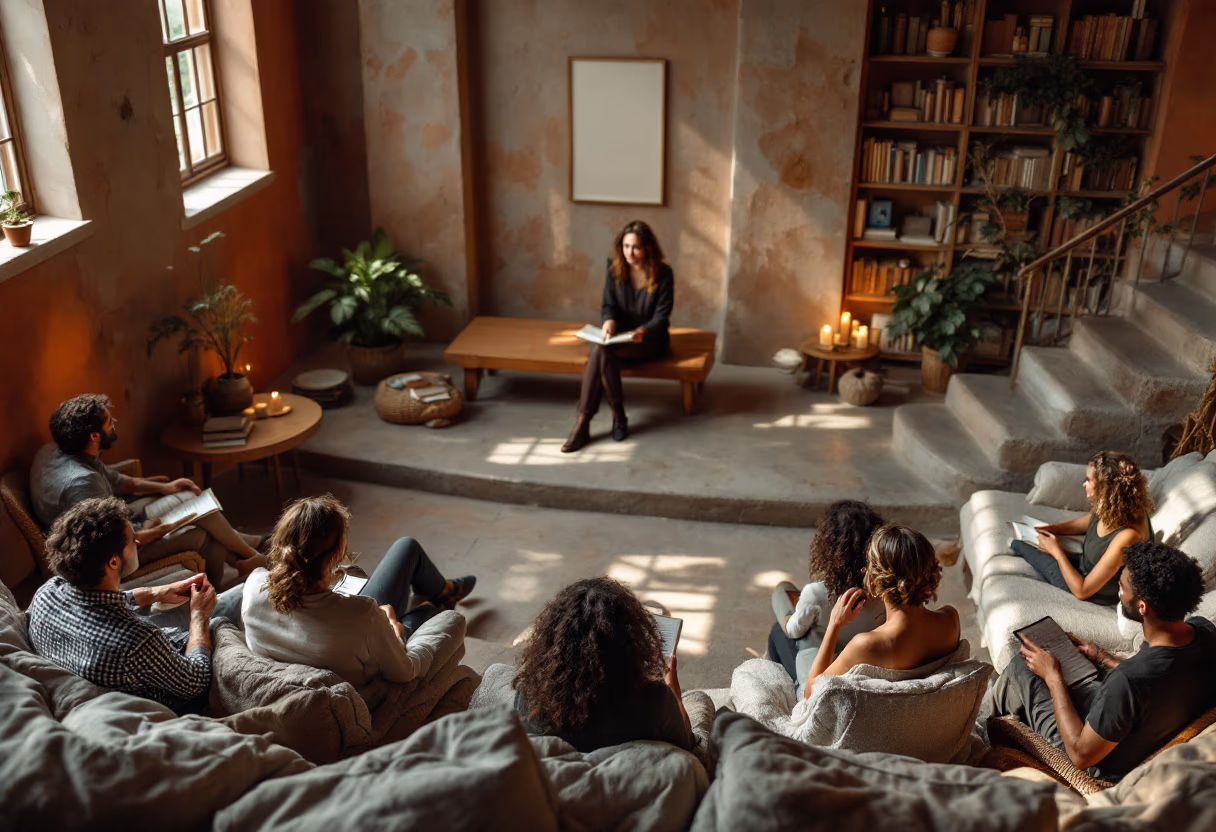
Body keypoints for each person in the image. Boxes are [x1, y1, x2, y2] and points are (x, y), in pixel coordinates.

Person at [983, 540, 1216, 782]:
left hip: (1099, 762)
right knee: (1076, 665)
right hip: (1143, 723)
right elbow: (1158, 680)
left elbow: (1080, 755)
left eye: (1122, 587)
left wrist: (1053, 678)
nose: (1118, 590)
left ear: (1142, 606)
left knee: (1022, 666)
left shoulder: (1127, 682)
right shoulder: (1205, 631)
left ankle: (987, 725)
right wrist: (1102, 657)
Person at [241, 495, 476, 694]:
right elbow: (405, 672)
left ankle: (445, 589)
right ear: (336, 553)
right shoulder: (363, 615)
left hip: (340, 637)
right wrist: (394, 629)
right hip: (368, 656)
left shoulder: (254, 586)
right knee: (429, 611)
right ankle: (444, 595)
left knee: (407, 548)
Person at [24, 496, 237, 712]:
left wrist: (154, 593)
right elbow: (195, 682)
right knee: (239, 598)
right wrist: (199, 615)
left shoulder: (46, 593)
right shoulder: (138, 641)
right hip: (177, 692)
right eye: (132, 540)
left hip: (115, 659)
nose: (137, 543)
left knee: (194, 589)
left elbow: (93, 603)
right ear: (113, 561)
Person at [31, 393, 266, 587]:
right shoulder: (82, 483)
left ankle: (249, 555)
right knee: (201, 535)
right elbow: (112, 542)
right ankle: (221, 586)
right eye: (109, 422)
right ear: (94, 436)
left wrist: (166, 487)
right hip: (113, 553)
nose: (114, 423)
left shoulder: (68, 452)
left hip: (117, 519)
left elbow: (119, 481)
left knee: (188, 497)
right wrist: (162, 529)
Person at [513, 577, 693, 752]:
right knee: (699, 698)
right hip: (627, 771)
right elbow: (687, 747)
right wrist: (675, 694)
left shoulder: (529, 693)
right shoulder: (656, 699)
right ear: (629, 641)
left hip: (558, 771)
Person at [802, 523, 960, 700]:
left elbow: (811, 693)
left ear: (875, 578)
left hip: (880, 717)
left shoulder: (866, 645)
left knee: (793, 640)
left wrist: (834, 624)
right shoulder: (951, 620)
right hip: (927, 712)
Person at [562, 220, 675, 453]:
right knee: (601, 350)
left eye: (635, 247)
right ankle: (607, 419)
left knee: (600, 352)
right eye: (625, 246)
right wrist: (609, 321)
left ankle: (589, 423)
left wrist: (643, 331)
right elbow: (608, 305)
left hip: (650, 340)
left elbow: (661, 317)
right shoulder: (614, 269)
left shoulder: (663, 274)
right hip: (620, 337)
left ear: (648, 248)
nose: (629, 253)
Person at [768, 500, 886, 687]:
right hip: (860, 666)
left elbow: (794, 631)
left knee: (781, 614)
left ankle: (787, 684)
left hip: (817, 680)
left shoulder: (817, 593)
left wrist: (788, 619)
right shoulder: (885, 591)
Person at [1012, 450, 1153, 606]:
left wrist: (1057, 552)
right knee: (1035, 541)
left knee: (1018, 544)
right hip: (1083, 566)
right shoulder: (1114, 507)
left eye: (1088, 480)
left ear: (1106, 488)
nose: (1083, 484)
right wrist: (1054, 528)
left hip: (1091, 590)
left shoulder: (1128, 536)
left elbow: (1082, 591)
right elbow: (1085, 523)